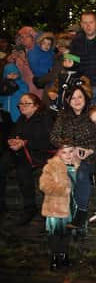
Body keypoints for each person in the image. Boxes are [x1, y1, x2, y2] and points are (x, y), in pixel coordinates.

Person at [49, 84, 96, 229]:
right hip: (67, 155)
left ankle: (81, 214)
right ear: (67, 100)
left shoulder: (92, 115)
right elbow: (53, 137)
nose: (77, 101)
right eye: (72, 98)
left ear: (85, 98)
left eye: (80, 97)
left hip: (89, 156)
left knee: (82, 174)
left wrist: (89, 150)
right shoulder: (63, 116)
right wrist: (69, 147)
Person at [3, 93, 54, 225]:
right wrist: (12, 141)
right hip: (22, 152)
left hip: (42, 153)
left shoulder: (45, 117)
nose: (22, 106)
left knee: (22, 171)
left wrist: (24, 143)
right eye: (21, 103)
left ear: (36, 105)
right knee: (3, 163)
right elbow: (13, 134)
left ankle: (30, 208)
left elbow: (48, 141)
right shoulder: (21, 119)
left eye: (27, 103)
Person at [39, 142, 81, 270]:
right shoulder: (51, 166)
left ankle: (63, 255)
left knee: (67, 233)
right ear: (58, 153)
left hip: (71, 206)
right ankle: (54, 257)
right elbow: (44, 185)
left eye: (70, 151)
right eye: (64, 152)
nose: (68, 155)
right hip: (55, 207)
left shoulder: (77, 165)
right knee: (55, 233)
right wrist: (62, 190)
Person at [69, 11, 96, 100]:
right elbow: (73, 60)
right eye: (85, 23)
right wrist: (69, 64)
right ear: (81, 25)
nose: (88, 26)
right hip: (82, 85)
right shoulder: (76, 41)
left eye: (91, 22)